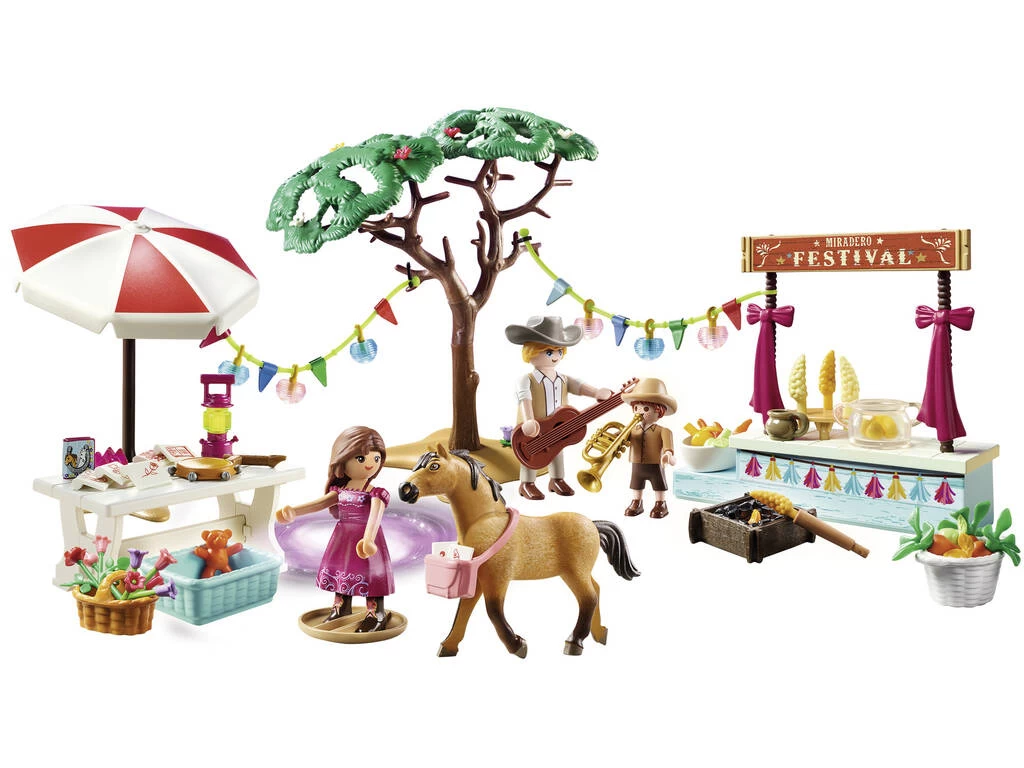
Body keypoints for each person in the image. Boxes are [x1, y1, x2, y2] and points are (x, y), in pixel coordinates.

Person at [275, 426, 394, 632]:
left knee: (370, 575)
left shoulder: (376, 493)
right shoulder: (340, 491)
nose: (370, 464)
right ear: (342, 460)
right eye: (361, 458)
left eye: (376, 458)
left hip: (366, 540)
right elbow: (319, 503)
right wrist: (294, 511)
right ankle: (341, 607)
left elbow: (375, 517)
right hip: (344, 538)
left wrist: (368, 539)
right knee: (343, 571)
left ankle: (376, 614)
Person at [506, 316, 612, 500]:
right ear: (531, 352)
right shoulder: (526, 380)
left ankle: (556, 480)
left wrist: (596, 392)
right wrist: (529, 420)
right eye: (549, 352)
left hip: (557, 425)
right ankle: (527, 483)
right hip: (534, 426)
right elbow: (525, 399)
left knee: (557, 450)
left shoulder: (563, 378)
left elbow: (579, 386)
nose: (555, 356)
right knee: (530, 454)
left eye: (559, 351)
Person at [621, 378, 677, 519]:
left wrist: (668, 455)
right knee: (636, 484)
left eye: (646, 409)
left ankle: (661, 504)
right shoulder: (632, 429)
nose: (640, 412)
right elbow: (622, 438)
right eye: (636, 408)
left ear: (659, 412)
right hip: (637, 463)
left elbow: (668, 447)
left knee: (659, 485)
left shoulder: (663, 431)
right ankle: (636, 503)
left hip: (655, 463)